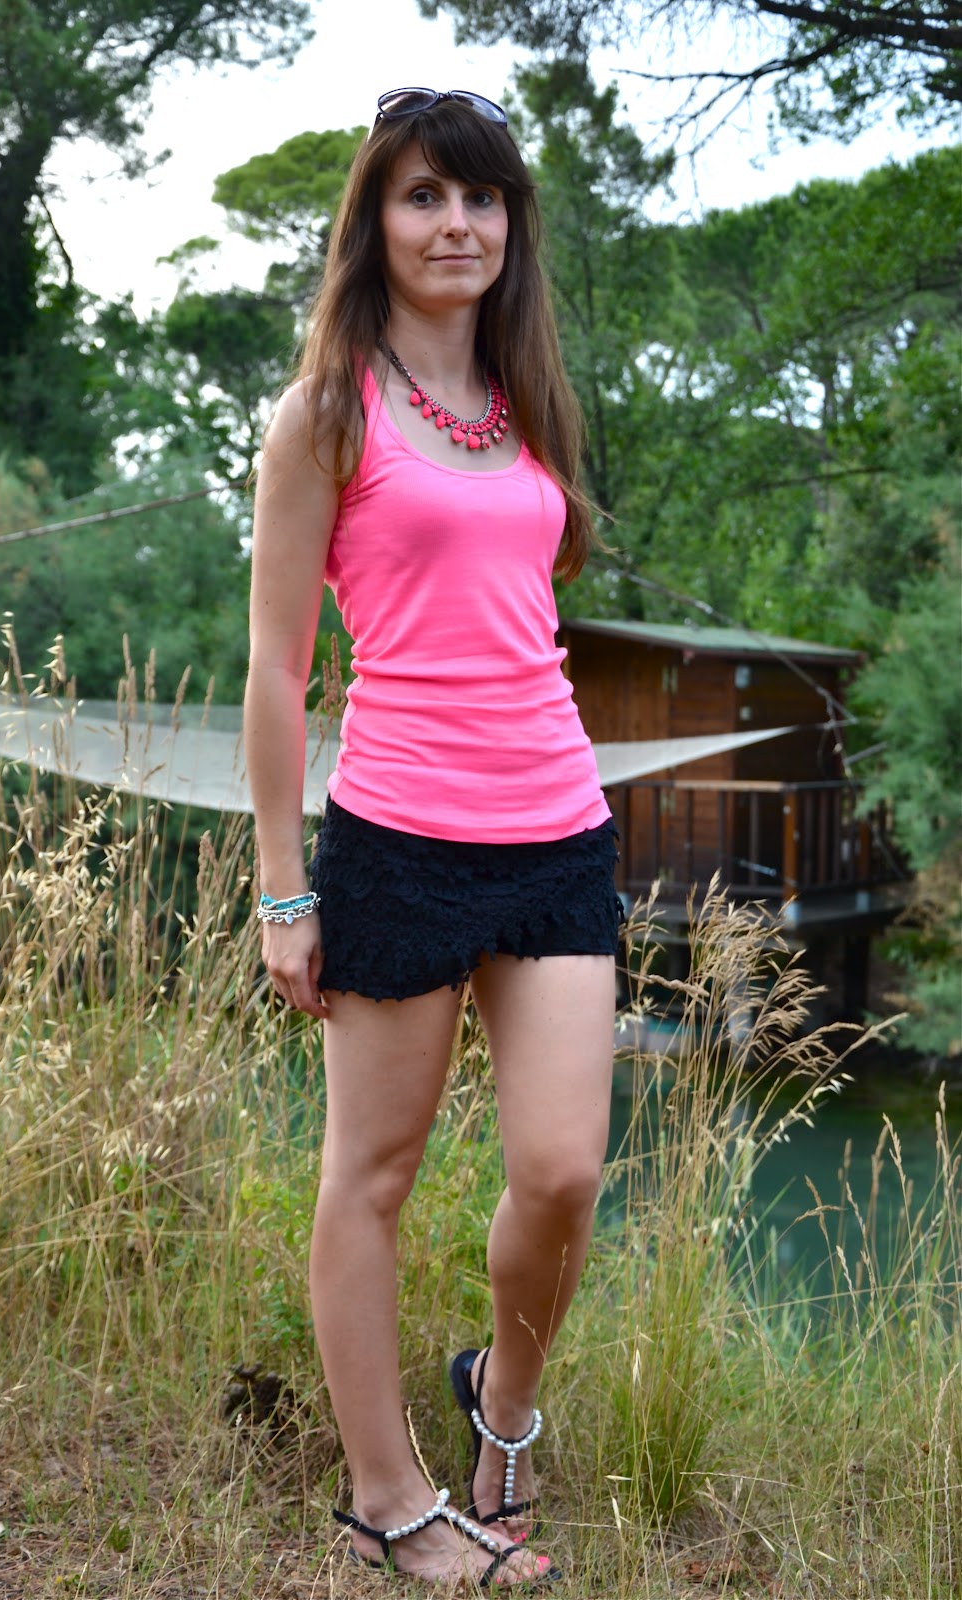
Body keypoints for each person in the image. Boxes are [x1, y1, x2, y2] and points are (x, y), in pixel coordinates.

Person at [243, 86, 622, 1592]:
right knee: (372, 1178)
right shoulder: (324, 413)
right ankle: (389, 1499)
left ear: (510, 222)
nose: (456, 223)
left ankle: (500, 1409)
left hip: (560, 831)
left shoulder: (529, 403)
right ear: (376, 223)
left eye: (480, 197)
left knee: (564, 1168)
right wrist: (284, 888)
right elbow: (276, 669)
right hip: (399, 837)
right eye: (422, 196)